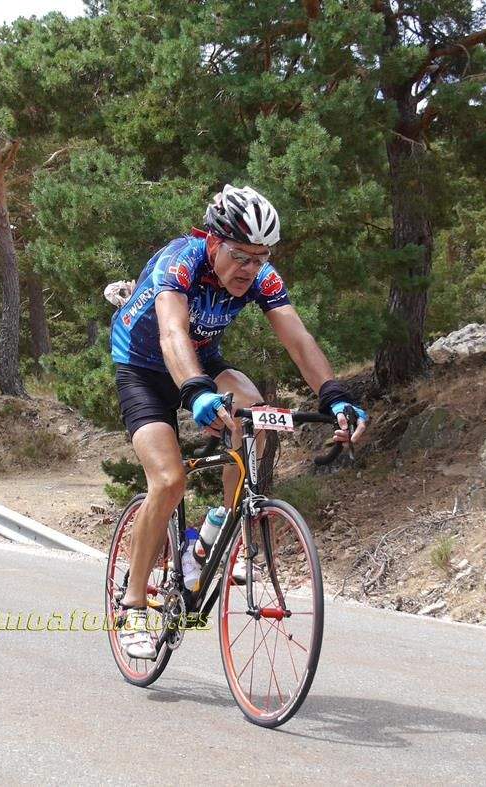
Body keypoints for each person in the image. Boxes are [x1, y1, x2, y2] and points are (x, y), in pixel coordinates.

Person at [108, 184, 369, 660]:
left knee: (256, 410)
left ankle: (218, 531)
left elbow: (298, 338)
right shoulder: (180, 261)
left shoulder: (263, 277)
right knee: (168, 481)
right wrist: (196, 391)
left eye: (259, 257)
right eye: (239, 257)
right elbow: (171, 332)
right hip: (144, 366)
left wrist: (334, 397)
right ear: (212, 242)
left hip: (201, 361)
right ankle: (133, 603)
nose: (249, 270)